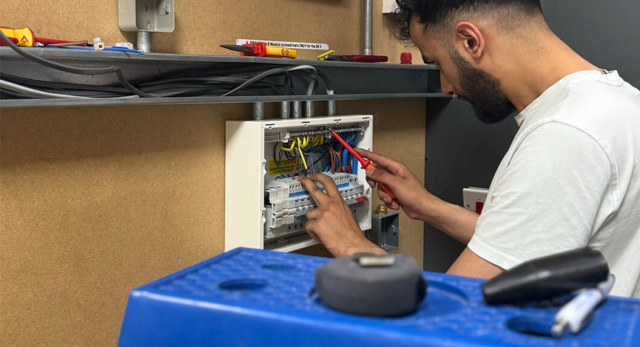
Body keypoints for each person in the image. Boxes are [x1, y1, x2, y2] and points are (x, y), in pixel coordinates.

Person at [299, 0, 640, 297]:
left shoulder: (565, 136)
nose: (446, 87)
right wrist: (427, 207)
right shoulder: (615, 101)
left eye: (436, 63)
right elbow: (532, 244)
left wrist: (351, 245)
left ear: (470, 41)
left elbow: (451, 317)